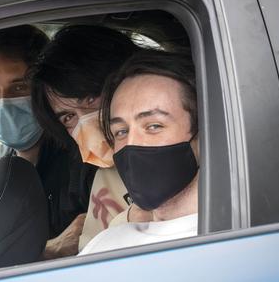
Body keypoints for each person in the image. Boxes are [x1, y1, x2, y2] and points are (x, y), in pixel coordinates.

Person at [0, 25, 88, 258]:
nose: (4, 102)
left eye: (19, 87)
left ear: (43, 89)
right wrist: (50, 250)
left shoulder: (81, 155)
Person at [30, 24, 151, 250]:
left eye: (91, 98)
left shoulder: (194, 153)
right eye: (68, 117)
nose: (86, 122)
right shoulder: (104, 180)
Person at [79, 50, 199, 254]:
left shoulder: (237, 237)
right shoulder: (103, 246)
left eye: (154, 126)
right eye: (121, 131)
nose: (131, 143)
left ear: (202, 135)